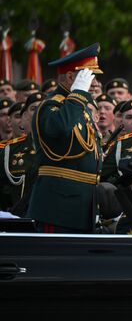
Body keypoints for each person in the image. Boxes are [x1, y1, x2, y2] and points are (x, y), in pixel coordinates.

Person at [27, 43, 103, 233]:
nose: (93, 83)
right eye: (88, 76)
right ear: (71, 77)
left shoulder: (77, 106)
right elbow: (59, 128)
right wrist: (77, 93)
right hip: (58, 207)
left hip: (81, 205)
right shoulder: (51, 106)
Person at [0, 92, 44, 214]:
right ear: (24, 117)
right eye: (34, 108)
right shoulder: (8, 151)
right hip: (18, 223)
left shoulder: (65, 149)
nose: (39, 112)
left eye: (44, 107)